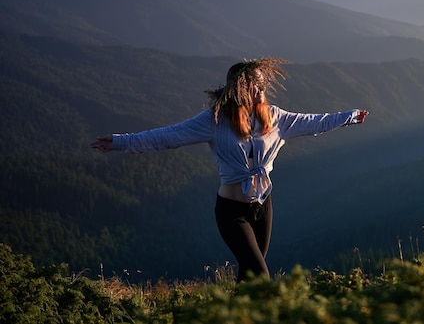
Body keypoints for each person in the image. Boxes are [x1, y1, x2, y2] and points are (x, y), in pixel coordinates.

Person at [90, 57, 368, 282]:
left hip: (263, 206)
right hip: (232, 212)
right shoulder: (213, 121)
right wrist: (118, 142)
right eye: (256, 86)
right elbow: (166, 137)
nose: (262, 90)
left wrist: (350, 117)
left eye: (263, 85)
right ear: (240, 89)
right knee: (260, 276)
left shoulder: (274, 117)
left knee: (249, 276)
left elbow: (314, 122)